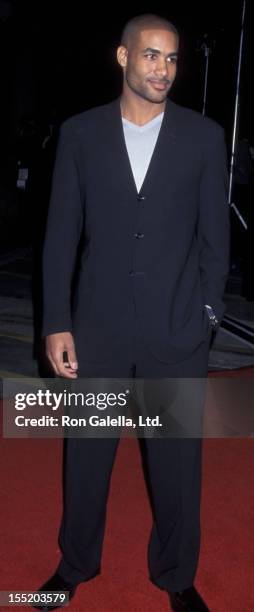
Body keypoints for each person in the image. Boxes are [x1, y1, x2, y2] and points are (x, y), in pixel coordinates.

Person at [35, 13, 229, 612]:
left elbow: (214, 240)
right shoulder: (80, 134)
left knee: (176, 468)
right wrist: (57, 321)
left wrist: (206, 315)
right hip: (98, 327)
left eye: (171, 60)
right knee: (87, 456)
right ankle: (75, 564)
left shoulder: (202, 137)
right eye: (151, 56)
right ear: (123, 57)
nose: (163, 70)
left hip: (176, 330)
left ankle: (176, 576)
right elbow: (61, 235)